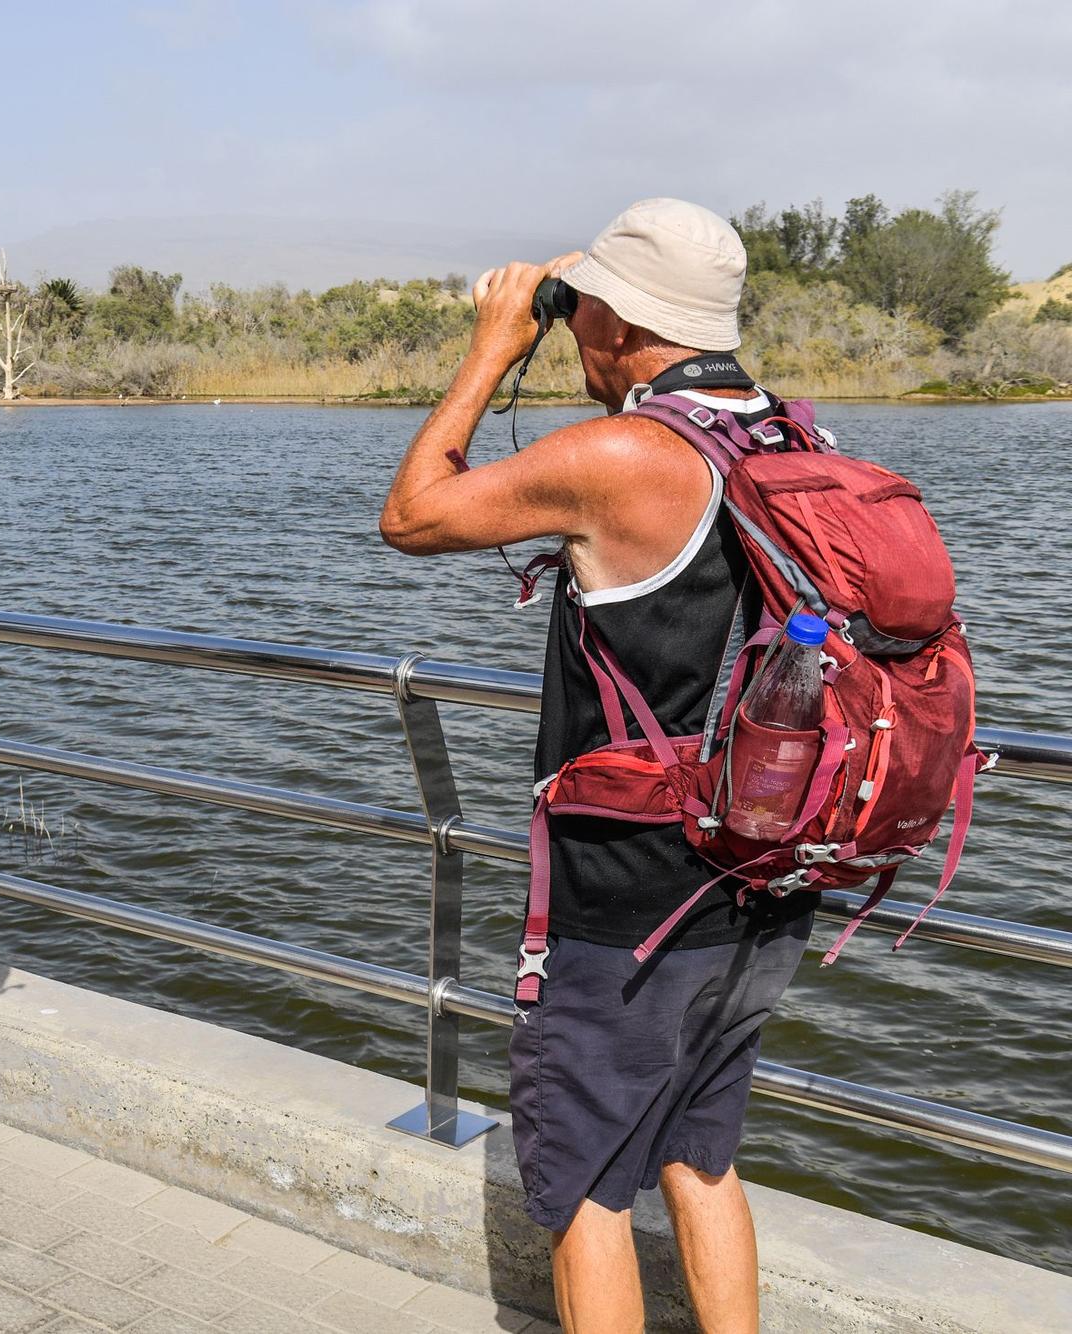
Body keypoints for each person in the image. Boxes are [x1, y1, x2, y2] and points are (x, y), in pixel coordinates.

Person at [378, 199, 814, 1333]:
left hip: (632, 893)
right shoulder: (781, 432)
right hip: (761, 867)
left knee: (582, 1184)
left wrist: (488, 349)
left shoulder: (626, 452)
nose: (570, 335)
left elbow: (412, 513)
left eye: (581, 314)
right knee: (700, 1156)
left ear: (617, 322)